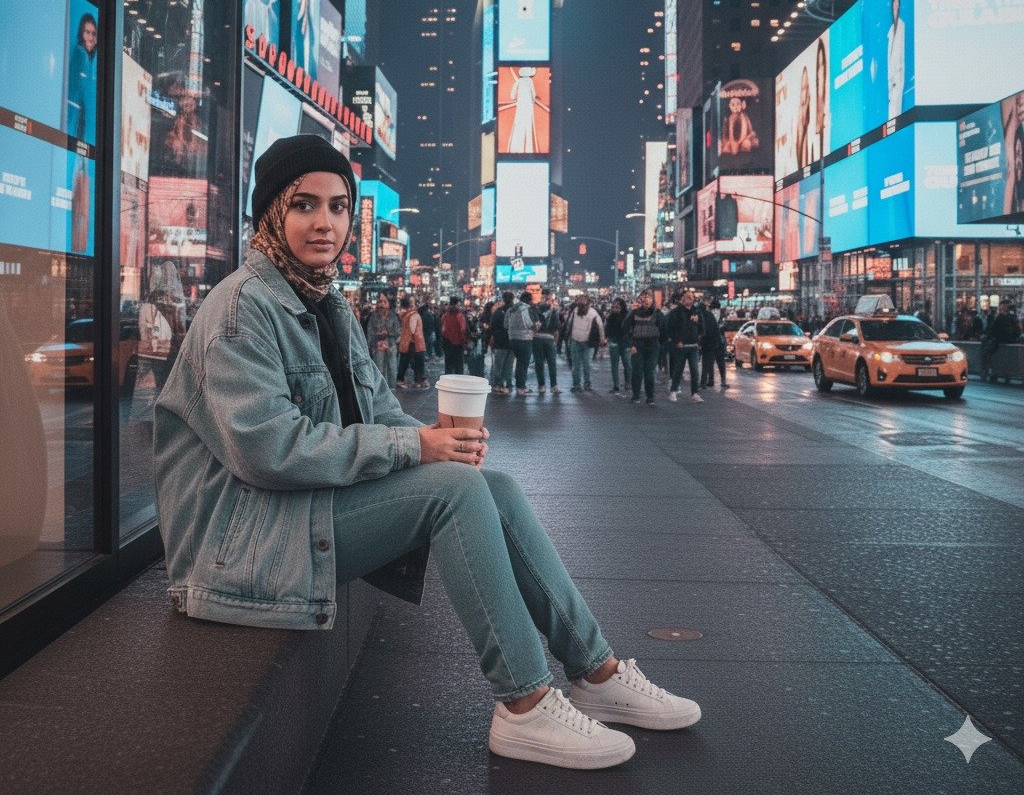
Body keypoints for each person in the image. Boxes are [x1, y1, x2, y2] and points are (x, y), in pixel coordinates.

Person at [153, 134, 701, 770]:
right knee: (456, 490)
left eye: (338, 207)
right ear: (270, 215)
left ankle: (596, 671)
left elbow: (379, 407)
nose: (325, 223)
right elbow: (269, 451)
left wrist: (440, 440)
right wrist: (415, 445)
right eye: (304, 205)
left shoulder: (325, 301)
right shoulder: (243, 308)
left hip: (296, 516)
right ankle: (524, 704)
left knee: (493, 485)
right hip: (237, 549)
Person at [624, 290, 665, 406]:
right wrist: (631, 345)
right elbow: (626, 328)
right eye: (644, 297)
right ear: (640, 300)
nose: (646, 300)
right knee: (637, 371)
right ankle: (636, 395)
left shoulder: (658, 314)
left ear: (652, 300)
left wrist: (659, 346)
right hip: (637, 346)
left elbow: (664, 330)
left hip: (652, 346)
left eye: (648, 297)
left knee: (649, 372)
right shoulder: (634, 313)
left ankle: (650, 397)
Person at [666, 291, 704, 404]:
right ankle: (673, 391)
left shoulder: (697, 311)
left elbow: (702, 329)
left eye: (690, 297)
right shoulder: (676, 312)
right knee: (678, 369)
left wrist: (698, 323)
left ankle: (695, 393)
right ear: (682, 299)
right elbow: (670, 328)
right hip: (681, 346)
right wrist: (676, 341)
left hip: (693, 345)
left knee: (695, 370)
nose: (688, 299)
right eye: (686, 297)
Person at [67, 12, 98, 144]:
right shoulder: (81, 54)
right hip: (74, 119)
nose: (90, 37)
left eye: (93, 33)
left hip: (82, 121)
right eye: (87, 32)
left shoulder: (90, 58)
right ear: (81, 33)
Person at [565, 294, 604, 393]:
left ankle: (582, 384)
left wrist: (602, 339)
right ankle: (580, 384)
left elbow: (600, 326)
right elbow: (569, 324)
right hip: (576, 341)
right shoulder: (576, 311)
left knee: (583, 365)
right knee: (579, 365)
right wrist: (602, 339)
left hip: (585, 342)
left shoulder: (592, 313)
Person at [981, 300, 1021, 383]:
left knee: (987, 352)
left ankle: (990, 372)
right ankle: (1004, 375)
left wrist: (987, 335)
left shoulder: (1000, 317)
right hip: (1010, 340)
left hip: (999, 340)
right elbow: (1018, 330)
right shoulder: (1013, 317)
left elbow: (993, 329)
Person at [506, 291, 537, 395]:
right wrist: (536, 326)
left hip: (512, 339)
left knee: (519, 363)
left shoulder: (511, 309)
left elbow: (505, 324)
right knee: (523, 364)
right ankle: (521, 387)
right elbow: (528, 323)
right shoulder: (526, 308)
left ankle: (518, 385)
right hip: (524, 339)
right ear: (529, 300)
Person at [366, 294, 400, 389]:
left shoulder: (393, 316)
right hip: (378, 346)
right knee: (379, 368)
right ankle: (381, 390)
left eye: (385, 302)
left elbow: (397, 331)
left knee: (392, 368)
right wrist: (378, 336)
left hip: (391, 345)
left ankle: (392, 388)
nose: (382, 304)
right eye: (380, 302)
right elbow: (370, 331)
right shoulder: (373, 317)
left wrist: (388, 333)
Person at [532, 289, 562, 394]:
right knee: (552, 363)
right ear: (549, 297)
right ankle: (554, 386)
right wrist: (556, 342)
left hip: (537, 338)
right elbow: (557, 328)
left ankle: (541, 386)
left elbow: (531, 325)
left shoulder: (535, 309)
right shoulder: (553, 310)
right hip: (549, 339)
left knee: (539, 363)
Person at [396, 295, 428, 389]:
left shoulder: (405, 315)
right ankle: (418, 380)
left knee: (405, 362)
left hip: (407, 342)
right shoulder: (414, 315)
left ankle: (412, 379)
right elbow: (412, 329)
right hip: (415, 342)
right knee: (418, 362)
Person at [887, 0, 906, 122]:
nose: (895, 3)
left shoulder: (902, 27)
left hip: (898, 88)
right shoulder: (890, 31)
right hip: (891, 91)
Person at [488, 291, 515, 395]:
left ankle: (498, 385)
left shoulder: (498, 312)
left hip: (500, 342)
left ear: (503, 299)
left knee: (498, 365)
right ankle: (505, 384)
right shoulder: (515, 312)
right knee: (508, 366)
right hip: (512, 342)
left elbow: (492, 327)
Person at [604, 297, 631, 395]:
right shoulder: (611, 317)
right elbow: (607, 329)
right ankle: (616, 386)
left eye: (617, 307)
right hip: (614, 343)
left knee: (627, 365)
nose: (615, 308)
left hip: (625, 343)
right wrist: (606, 338)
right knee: (614, 366)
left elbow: (629, 330)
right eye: (614, 307)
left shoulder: (627, 316)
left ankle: (628, 383)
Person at [699, 298, 728, 390]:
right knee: (720, 362)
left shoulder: (706, 315)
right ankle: (723, 381)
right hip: (719, 341)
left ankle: (709, 381)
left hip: (708, 341)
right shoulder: (722, 315)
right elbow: (724, 328)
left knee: (708, 362)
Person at [508, 67, 538, 154]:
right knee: (528, 126)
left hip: (521, 105)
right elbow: (533, 92)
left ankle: (517, 148)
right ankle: (529, 149)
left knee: (519, 124)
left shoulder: (519, 81)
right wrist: (533, 99)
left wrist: (513, 97)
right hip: (528, 106)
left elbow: (513, 91)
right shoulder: (529, 81)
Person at [439, 296, 469, 374]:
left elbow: (443, 329)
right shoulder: (460, 315)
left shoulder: (445, 315)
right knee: (458, 366)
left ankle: (448, 382)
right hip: (458, 344)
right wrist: (464, 342)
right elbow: (463, 329)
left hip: (447, 343)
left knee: (448, 365)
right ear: (457, 303)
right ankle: (458, 383)